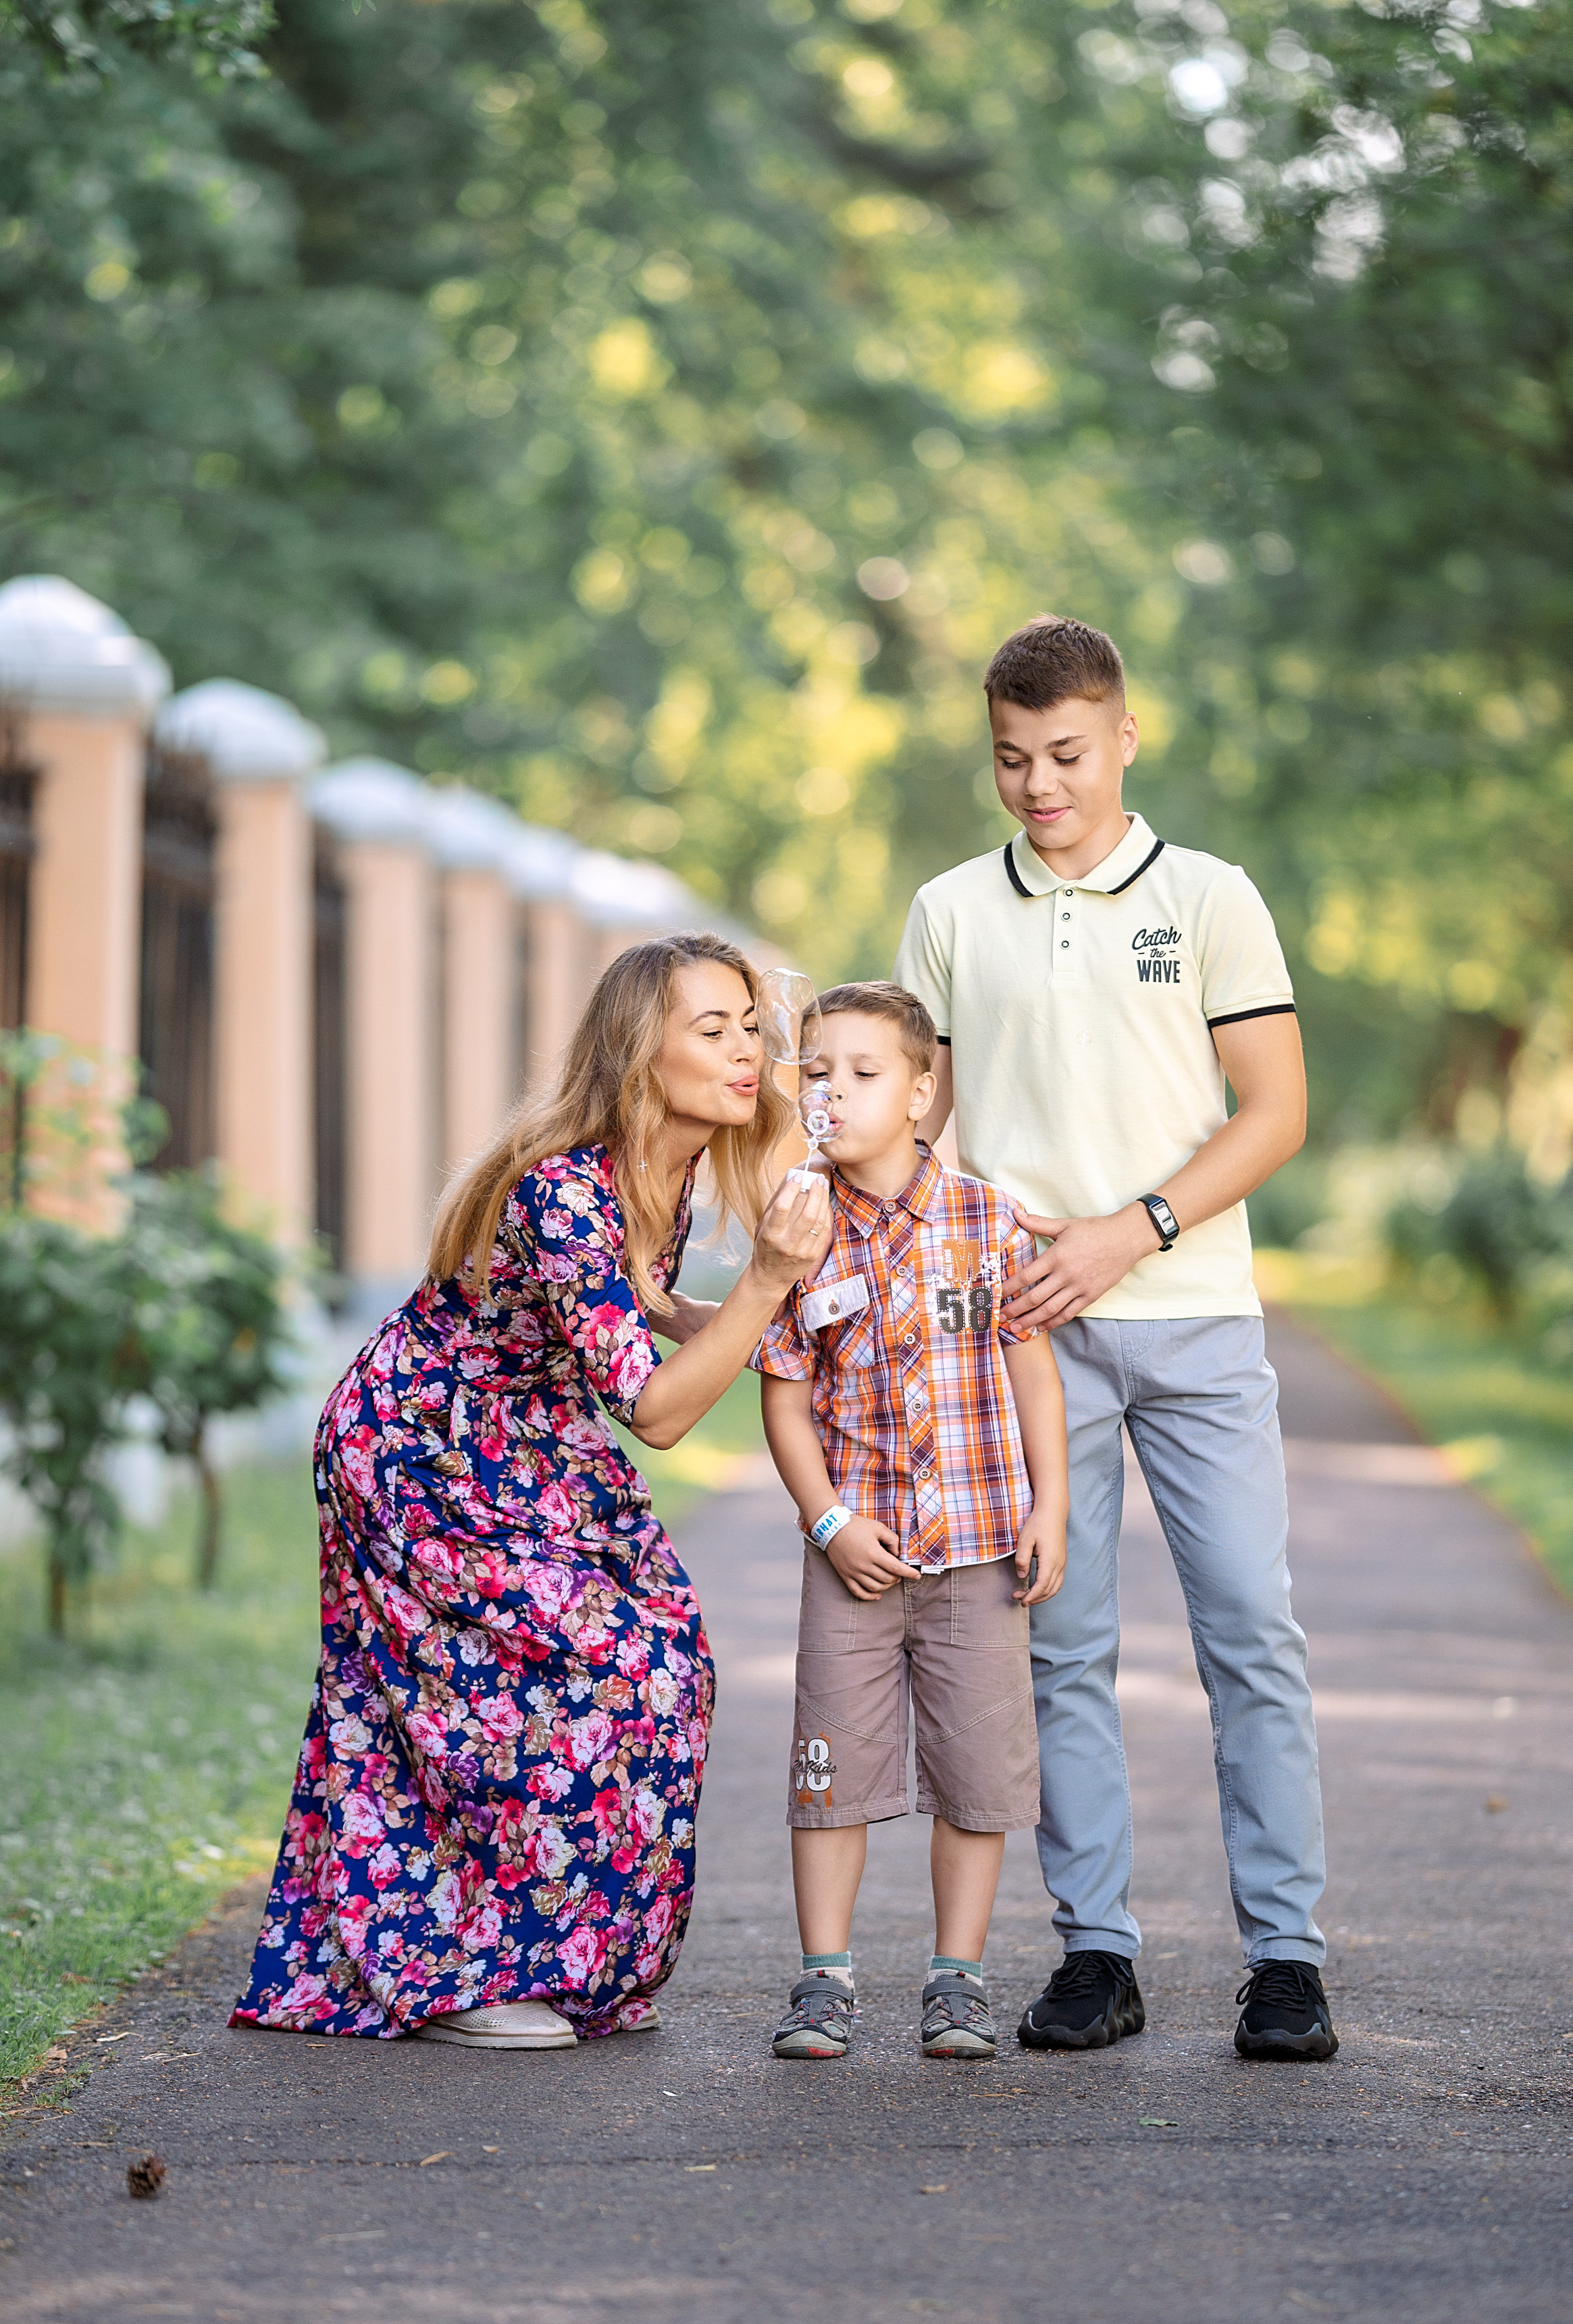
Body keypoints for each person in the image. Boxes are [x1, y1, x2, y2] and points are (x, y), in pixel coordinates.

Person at [231, 934, 831, 2051]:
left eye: (751, 1025)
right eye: (713, 1031)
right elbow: (652, 1414)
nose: (747, 1051)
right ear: (639, 1053)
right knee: (518, 1693)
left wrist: (717, 1321)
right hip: (420, 1454)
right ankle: (466, 1974)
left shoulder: (671, 1159)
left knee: (666, 1660)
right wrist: (762, 1286)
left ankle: (563, 1961)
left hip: (530, 1441)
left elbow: (620, 1295)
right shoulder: (561, 1184)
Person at [892, 614, 1337, 2064]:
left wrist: (1127, 1228)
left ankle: (1286, 1959)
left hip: (1193, 1314)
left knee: (1249, 1636)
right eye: (1012, 759)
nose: (1038, 784)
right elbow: (917, 1122)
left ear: (1123, 738)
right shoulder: (950, 911)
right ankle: (1097, 1950)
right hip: (1023, 1342)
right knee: (1059, 1646)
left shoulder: (1210, 897)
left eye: (1066, 754)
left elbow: (1272, 1109)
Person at [752, 982, 1069, 2061]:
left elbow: (1030, 1368)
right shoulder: (796, 1226)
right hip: (856, 1558)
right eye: (815, 1073)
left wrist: (1051, 1506)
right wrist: (826, 1519)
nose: (831, 1091)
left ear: (922, 1091)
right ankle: (824, 1982)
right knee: (827, 1770)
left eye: (862, 1072)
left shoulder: (986, 1220)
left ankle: (957, 1981)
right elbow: (784, 1394)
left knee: (978, 1775)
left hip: (979, 1550)